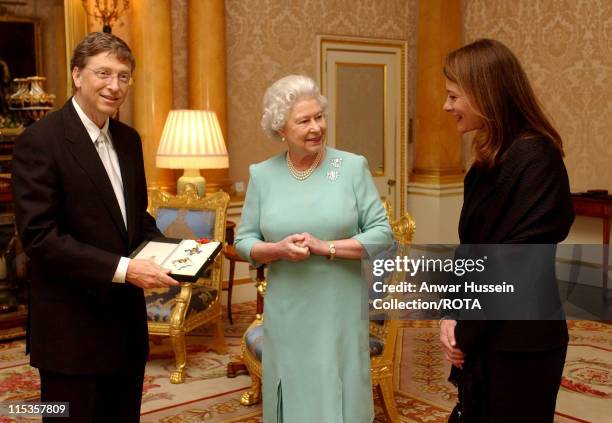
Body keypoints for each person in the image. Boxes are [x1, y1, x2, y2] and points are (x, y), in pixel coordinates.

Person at [12, 32, 179, 422]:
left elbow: (135, 218)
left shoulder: (129, 139)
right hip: (72, 332)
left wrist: (173, 253)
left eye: (123, 76)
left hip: (125, 329)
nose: (114, 85)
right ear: (77, 75)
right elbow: (40, 237)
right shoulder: (41, 141)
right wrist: (125, 269)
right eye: (103, 73)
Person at [235, 75, 392, 423]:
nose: (316, 127)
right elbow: (243, 241)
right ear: (281, 129)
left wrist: (327, 247)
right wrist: (275, 249)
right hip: (287, 307)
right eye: (303, 121)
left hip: (339, 305)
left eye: (319, 116)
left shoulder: (349, 167)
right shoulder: (262, 175)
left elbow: (382, 234)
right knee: (293, 388)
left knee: (338, 385)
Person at [438, 39, 575, 422]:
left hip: (521, 345)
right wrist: (452, 314)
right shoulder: (487, 161)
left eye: (453, 96)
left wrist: (466, 333)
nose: (446, 107)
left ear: (485, 94)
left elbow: (514, 266)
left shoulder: (536, 159)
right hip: (485, 334)